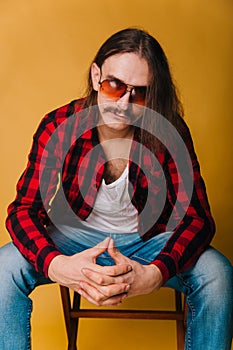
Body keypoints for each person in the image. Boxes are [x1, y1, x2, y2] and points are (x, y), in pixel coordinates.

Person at [0, 28, 232, 350]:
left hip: (148, 242)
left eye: (139, 93)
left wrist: (155, 273)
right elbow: (24, 209)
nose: (123, 103)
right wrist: (58, 264)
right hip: (74, 240)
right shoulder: (59, 125)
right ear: (96, 76)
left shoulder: (170, 130)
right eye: (114, 86)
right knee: (3, 268)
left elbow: (198, 218)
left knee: (218, 275)